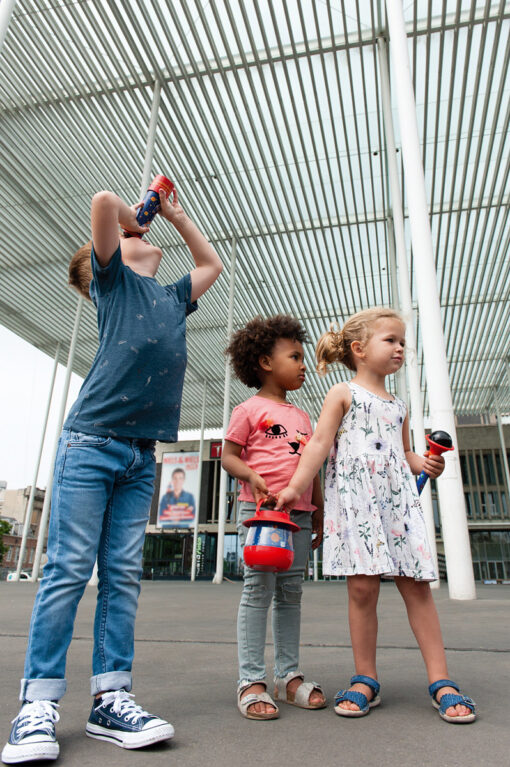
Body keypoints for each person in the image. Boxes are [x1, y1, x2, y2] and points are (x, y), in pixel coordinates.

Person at [2, 188, 222, 764]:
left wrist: (173, 215)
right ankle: (38, 704)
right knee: (69, 566)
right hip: (91, 444)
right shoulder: (113, 284)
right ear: (107, 260)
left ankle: (111, 699)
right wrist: (135, 217)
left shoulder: (172, 297)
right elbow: (102, 201)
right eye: (128, 241)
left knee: (123, 574)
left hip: (137, 456)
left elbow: (210, 265)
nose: (140, 240)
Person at [276, 307, 476, 724]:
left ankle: (441, 679)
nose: (401, 348)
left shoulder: (399, 404)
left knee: (417, 588)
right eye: (391, 340)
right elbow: (318, 445)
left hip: (398, 504)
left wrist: (422, 463)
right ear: (359, 349)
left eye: (403, 341)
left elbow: (402, 454)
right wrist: (296, 487)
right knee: (362, 591)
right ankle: (366, 677)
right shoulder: (342, 393)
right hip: (357, 505)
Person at [221, 315, 327, 720]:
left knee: (291, 594)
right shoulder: (248, 410)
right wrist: (251, 476)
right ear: (265, 362)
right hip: (261, 513)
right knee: (257, 591)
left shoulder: (303, 417)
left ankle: (288, 676)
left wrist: (318, 512)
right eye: (295, 356)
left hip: (299, 515)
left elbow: (310, 467)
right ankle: (251, 680)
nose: (303, 364)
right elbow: (230, 456)